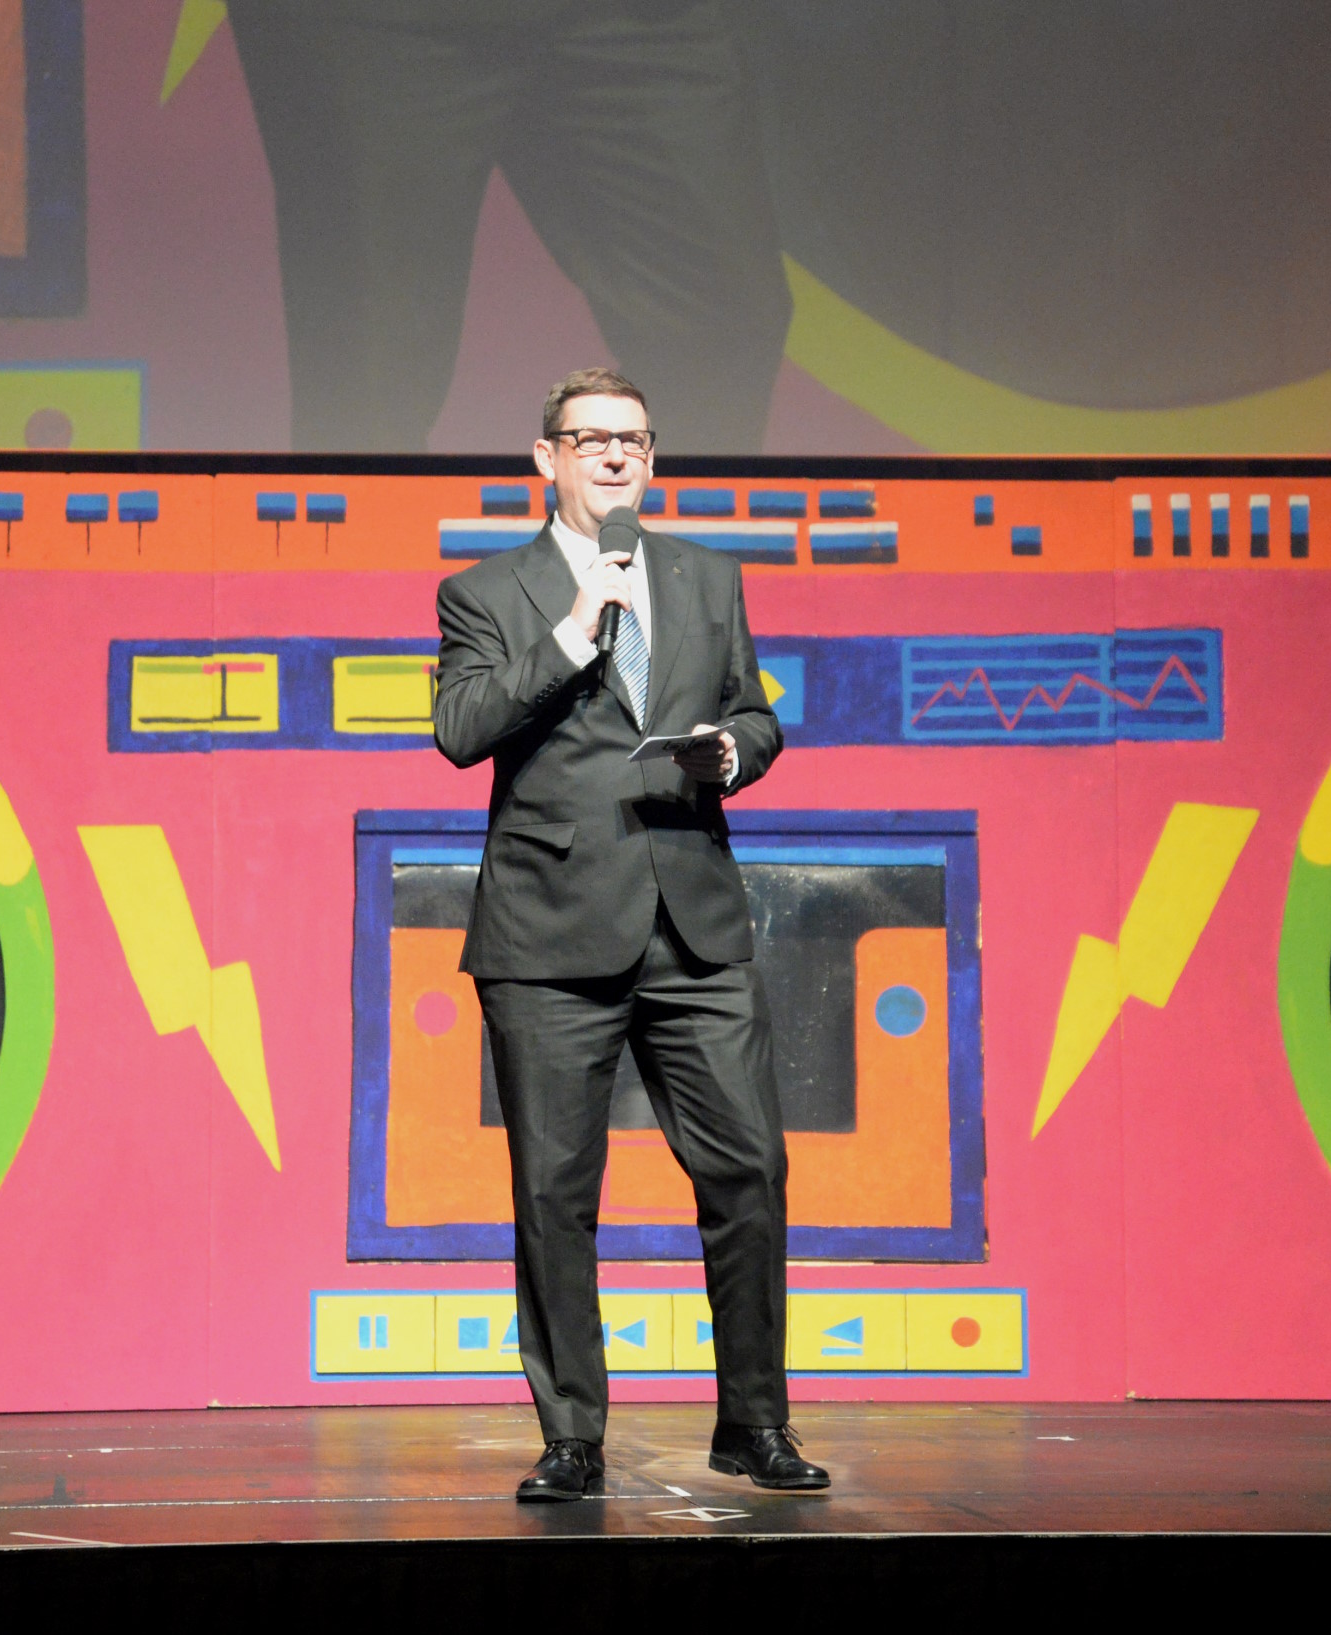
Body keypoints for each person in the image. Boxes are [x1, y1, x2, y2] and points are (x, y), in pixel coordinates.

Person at [431, 367, 827, 1501]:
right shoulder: (485, 591)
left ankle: (754, 1422)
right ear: (545, 459)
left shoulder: (706, 578)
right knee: (555, 1190)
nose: (615, 455)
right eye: (590, 438)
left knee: (749, 1166)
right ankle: (572, 1435)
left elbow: (754, 712)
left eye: (634, 440)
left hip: (692, 919)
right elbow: (460, 727)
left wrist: (735, 752)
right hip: (549, 932)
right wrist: (570, 632)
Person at [225, 0, 790, 454]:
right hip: (373, 21)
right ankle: (367, 566)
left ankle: (637, 558)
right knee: (366, 376)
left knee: (725, 317)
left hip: (633, 17)